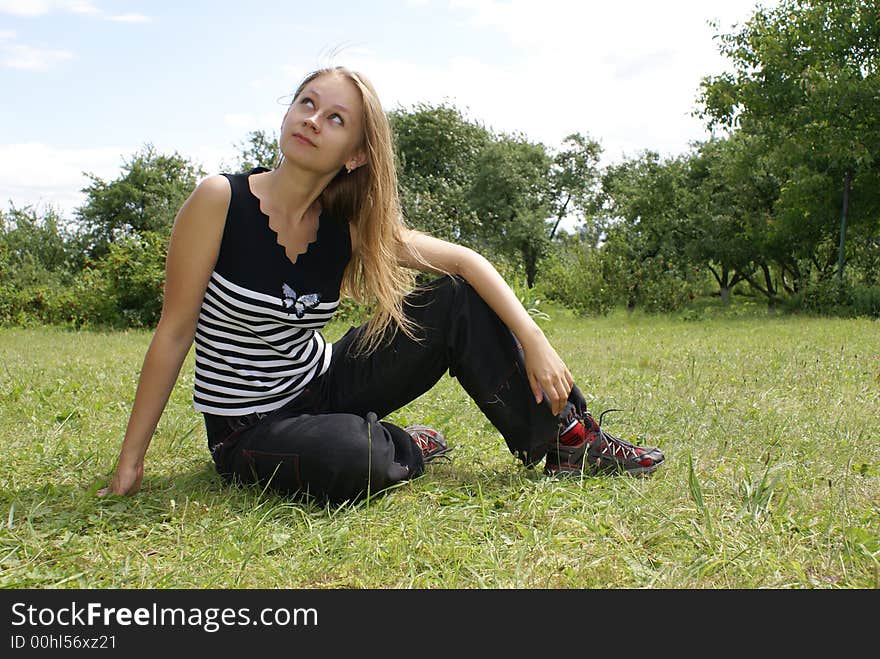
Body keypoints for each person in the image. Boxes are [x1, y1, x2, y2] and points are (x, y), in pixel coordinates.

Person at [98, 66, 664, 505]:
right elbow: (174, 333)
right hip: (248, 427)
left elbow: (465, 263)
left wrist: (533, 336)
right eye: (307, 103)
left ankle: (570, 441)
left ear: (357, 155)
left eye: (336, 119)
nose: (313, 120)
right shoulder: (220, 201)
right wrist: (132, 462)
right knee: (353, 458)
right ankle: (404, 444)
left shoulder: (347, 228)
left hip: (324, 383)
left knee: (452, 295)